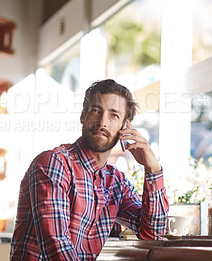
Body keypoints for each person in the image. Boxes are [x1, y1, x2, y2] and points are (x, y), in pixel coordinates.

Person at [10, 79, 168, 260]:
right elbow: (57, 248)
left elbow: (152, 234)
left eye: (114, 115)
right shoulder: (53, 163)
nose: (102, 122)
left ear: (125, 127)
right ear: (83, 116)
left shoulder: (116, 182)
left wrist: (153, 169)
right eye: (95, 111)